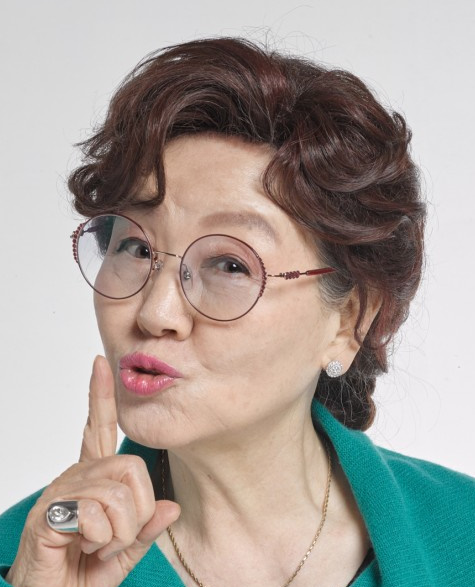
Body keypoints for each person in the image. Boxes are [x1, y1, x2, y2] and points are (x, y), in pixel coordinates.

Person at [0, 37, 474, 587]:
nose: (155, 312)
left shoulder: (461, 534)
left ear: (349, 321)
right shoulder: (30, 560)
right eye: (135, 247)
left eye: (229, 265)